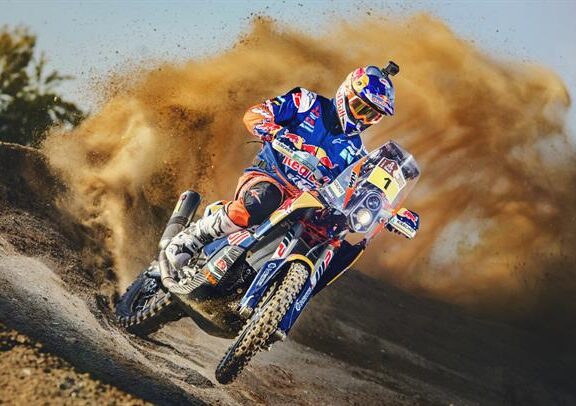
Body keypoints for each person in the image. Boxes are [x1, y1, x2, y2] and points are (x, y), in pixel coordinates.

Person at [166, 62, 401, 269]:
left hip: (309, 205)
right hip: (271, 177)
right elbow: (256, 113)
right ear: (346, 94)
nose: (364, 119)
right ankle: (191, 239)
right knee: (265, 197)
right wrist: (275, 131)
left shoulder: (358, 153)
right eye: (362, 109)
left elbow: (368, 190)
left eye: (373, 116)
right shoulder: (306, 103)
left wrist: (389, 212)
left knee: (332, 233)